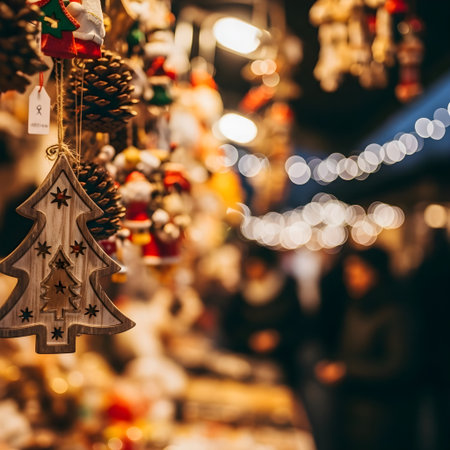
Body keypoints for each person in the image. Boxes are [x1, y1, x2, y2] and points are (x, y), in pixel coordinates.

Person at [315, 246, 417, 450]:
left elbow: (398, 366)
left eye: (357, 273)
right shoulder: (355, 305)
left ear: (375, 273)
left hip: (382, 417)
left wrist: (346, 371)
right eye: (349, 274)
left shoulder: (395, 312)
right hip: (350, 409)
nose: (351, 279)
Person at [221, 244, 303, 387]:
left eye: (256, 265)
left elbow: (298, 326)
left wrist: (277, 338)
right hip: (245, 363)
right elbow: (230, 326)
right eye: (249, 265)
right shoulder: (241, 293)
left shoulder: (286, 289)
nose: (252, 270)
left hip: (281, 364)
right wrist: (249, 339)